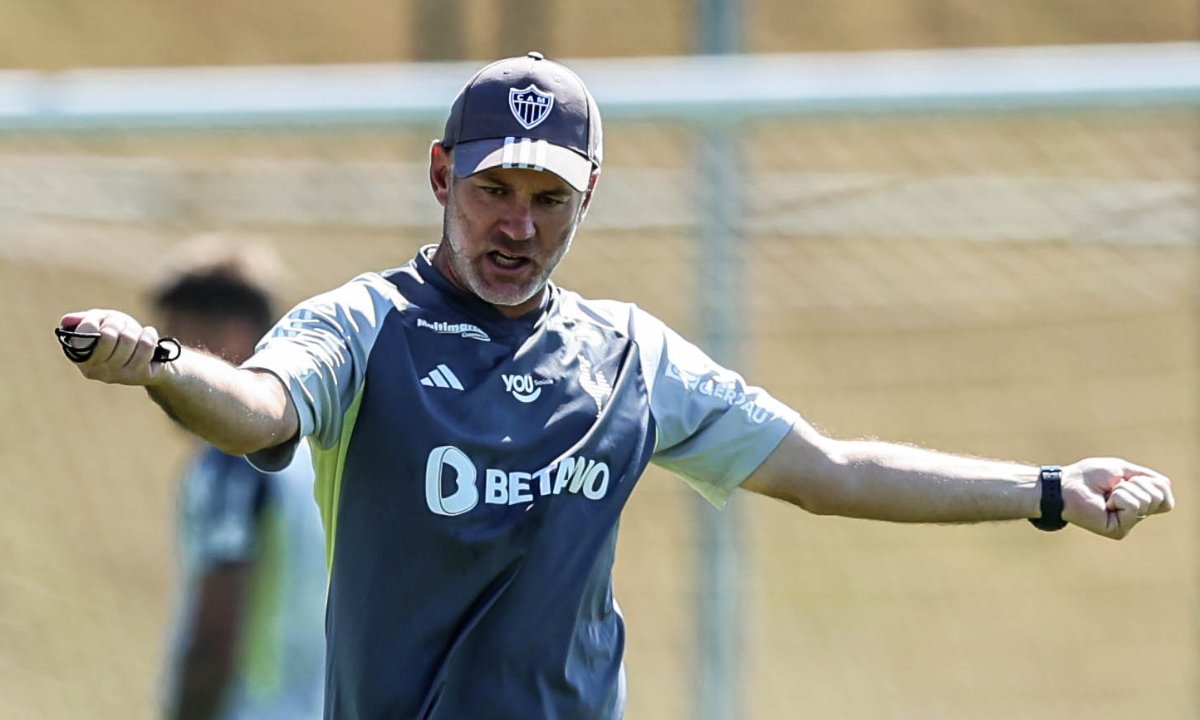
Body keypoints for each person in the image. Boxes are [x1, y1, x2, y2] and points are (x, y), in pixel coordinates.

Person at [58, 52, 1174, 720]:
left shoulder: (633, 356)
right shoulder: (367, 325)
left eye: (550, 197)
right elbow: (264, 407)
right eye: (495, 187)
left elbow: (829, 470)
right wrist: (162, 365)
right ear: (442, 174)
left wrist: (1044, 489)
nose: (518, 224)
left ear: (592, 196)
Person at [147, 238, 327, 720]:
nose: (160, 373)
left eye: (175, 341)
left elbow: (213, 637)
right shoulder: (316, 455)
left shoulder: (231, 465)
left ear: (232, 336)